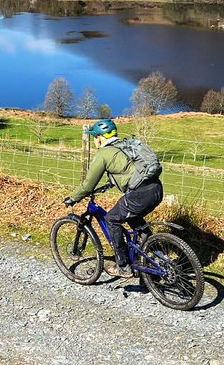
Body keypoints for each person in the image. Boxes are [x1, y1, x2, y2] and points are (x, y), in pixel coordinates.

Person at [64, 118, 163, 277]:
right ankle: (156, 253)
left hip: (140, 195)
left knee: (111, 219)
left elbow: (88, 185)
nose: (94, 140)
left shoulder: (104, 153)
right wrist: (109, 184)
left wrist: (73, 198)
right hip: (156, 189)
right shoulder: (124, 146)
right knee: (133, 218)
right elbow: (126, 170)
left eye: (94, 137)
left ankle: (123, 266)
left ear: (100, 137)